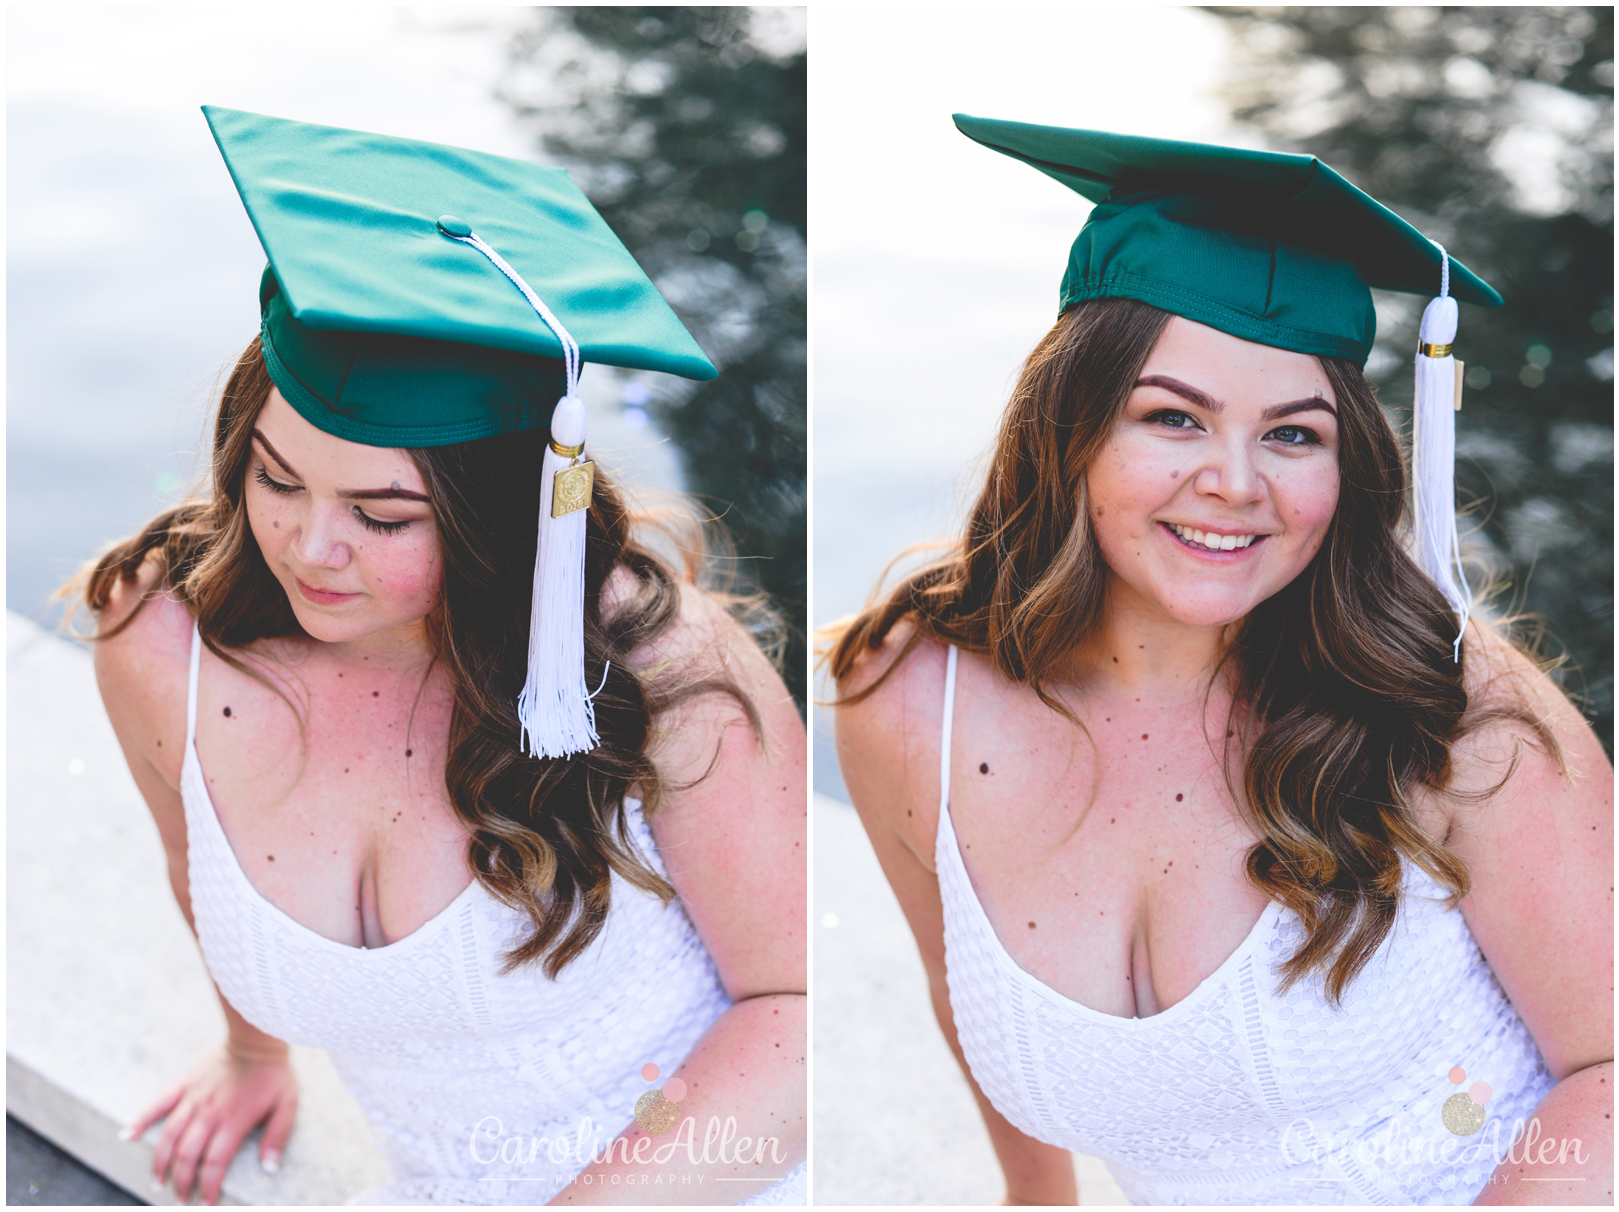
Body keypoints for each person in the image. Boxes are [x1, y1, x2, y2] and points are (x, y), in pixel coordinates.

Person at [828, 116, 1611, 1206]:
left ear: (1351, 466)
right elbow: (957, 988)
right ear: (1069, 429)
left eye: (1292, 434)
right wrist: (1035, 1196)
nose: (1235, 483)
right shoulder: (912, 707)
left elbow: (1605, 1074)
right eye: (1171, 419)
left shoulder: (1450, 712)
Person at [74, 107, 806, 1206]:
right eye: (276, 481)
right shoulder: (161, 644)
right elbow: (200, 868)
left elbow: (792, 1012)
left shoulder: (654, 667)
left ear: (494, 521)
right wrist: (253, 1054)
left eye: (382, 516)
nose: (308, 550)